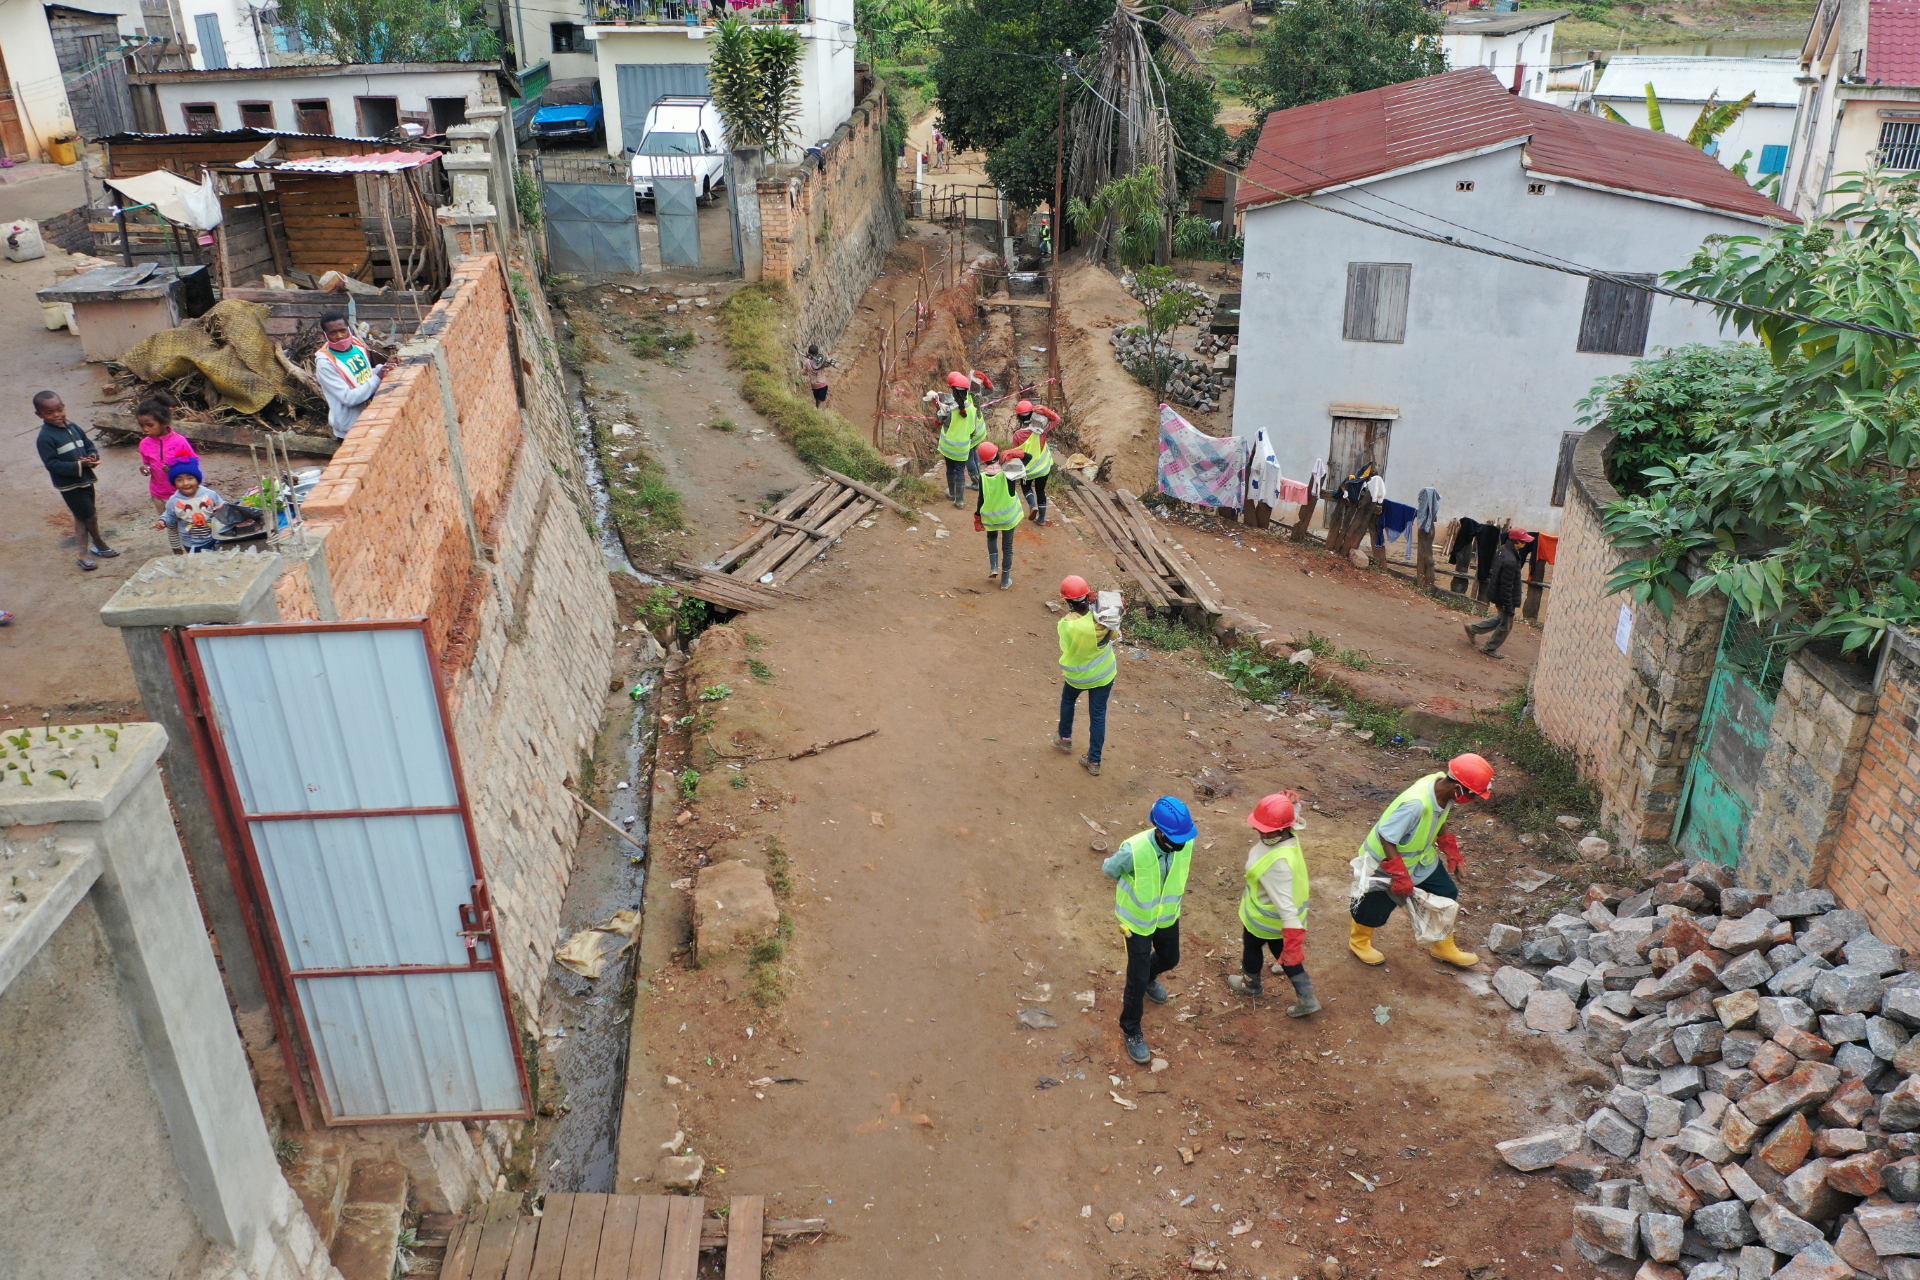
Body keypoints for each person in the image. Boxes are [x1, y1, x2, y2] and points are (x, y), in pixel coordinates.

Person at [1348, 754, 1494, 969]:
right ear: (1458, 788)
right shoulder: (1415, 805)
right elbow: (1387, 836)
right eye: (1473, 795)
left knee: (1446, 892)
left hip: (1420, 859)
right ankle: (1358, 943)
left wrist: (1449, 848)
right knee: (1373, 909)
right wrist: (1398, 873)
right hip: (1385, 863)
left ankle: (1443, 947)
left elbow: (1439, 818)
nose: (1473, 800)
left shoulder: (1442, 789)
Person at [1105, 796, 1198, 1065]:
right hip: (1137, 923)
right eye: (1176, 839)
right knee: (1137, 976)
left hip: (1167, 916)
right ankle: (1131, 1029)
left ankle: (1149, 978)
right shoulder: (1133, 850)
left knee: (1171, 959)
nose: (1182, 844)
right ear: (1160, 831)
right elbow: (1110, 869)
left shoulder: (1186, 840)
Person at [1226, 792, 1320, 1018]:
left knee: (1253, 947)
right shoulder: (1288, 834)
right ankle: (1306, 997)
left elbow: (1285, 907)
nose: (1259, 831)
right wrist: (1292, 805)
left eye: (1265, 828)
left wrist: (1294, 943)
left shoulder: (1276, 865)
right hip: (1281, 920)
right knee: (1285, 957)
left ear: (1280, 829)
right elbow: (1290, 818)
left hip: (1266, 920)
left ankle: (1251, 983)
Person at [34, 390, 116, 571]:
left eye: (60, 409)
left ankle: (89, 549)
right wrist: (78, 465)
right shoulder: (45, 437)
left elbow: (88, 445)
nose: (57, 415)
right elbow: (52, 464)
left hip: (86, 479)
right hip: (69, 485)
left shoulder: (73, 427)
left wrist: (92, 457)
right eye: (49, 413)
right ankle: (93, 547)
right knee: (89, 515)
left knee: (82, 516)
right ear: (39, 415)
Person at [1053, 575, 1116, 776]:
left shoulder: (1067, 624)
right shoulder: (1104, 617)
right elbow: (1114, 635)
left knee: (1068, 699)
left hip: (1078, 676)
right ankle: (1094, 761)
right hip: (1104, 674)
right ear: (1089, 596)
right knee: (1098, 715)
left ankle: (1064, 738)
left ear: (1068, 601)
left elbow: (1065, 646)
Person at [316, 312, 400, 439]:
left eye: (342, 331)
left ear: (349, 329)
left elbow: (364, 374)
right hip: (350, 429)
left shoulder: (357, 346)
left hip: (371, 417)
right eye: (333, 333)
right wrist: (379, 377)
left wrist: (383, 367)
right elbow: (349, 399)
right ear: (325, 335)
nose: (339, 336)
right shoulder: (325, 363)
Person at [1465, 527, 1529, 657]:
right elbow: (1507, 586)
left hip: (1496, 592)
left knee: (1501, 618)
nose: (1524, 544)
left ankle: (1473, 628)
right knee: (1506, 625)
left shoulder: (1504, 550)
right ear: (1516, 542)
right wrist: (1508, 605)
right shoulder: (1510, 560)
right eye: (1522, 541)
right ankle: (1489, 648)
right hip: (1504, 596)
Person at [934, 369, 992, 507]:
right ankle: (959, 501)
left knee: (950, 469)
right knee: (961, 471)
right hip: (963, 448)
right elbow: (972, 429)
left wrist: (937, 406)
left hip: (947, 447)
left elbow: (939, 422)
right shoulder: (971, 408)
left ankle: (952, 493)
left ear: (952, 390)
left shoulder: (948, 407)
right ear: (967, 390)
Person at [135, 395, 199, 519]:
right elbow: (147, 462)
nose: (145, 429)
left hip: (182, 492)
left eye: (150, 425)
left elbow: (194, 461)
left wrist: (176, 466)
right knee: (169, 525)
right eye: (142, 425)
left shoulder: (179, 441)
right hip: (158, 494)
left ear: (164, 423)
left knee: (188, 523)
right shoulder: (144, 444)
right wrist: (145, 468)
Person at [973, 441, 1024, 590]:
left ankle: (993, 567)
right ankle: (1005, 580)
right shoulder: (1008, 470)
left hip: (990, 517)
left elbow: (981, 499)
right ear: (997, 453)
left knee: (992, 538)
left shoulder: (983, 477)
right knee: (1007, 547)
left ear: (982, 460)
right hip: (1008, 518)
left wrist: (978, 516)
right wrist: (1016, 454)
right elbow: (1028, 458)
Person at [1009, 399, 1062, 525]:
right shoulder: (1041, 430)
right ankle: (1042, 519)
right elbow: (1057, 419)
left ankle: (1032, 505)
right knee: (1041, 490)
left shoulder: (1017, 435)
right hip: (1043, 468)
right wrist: (1046, 411)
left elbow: (1015, 453)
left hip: (1027, 470)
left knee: (1026, 487)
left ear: (1019, 417)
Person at [162, 464, 226, 553]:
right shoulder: (174, 501)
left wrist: (223, 507)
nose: (185, 483)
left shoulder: (209, 495)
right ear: (174, 483)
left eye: (190, 478)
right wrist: (163, 521)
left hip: (214, 538)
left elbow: (223, 505)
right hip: (191, 544)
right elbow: (170, 516)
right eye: (179, 480)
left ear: (197, 480)